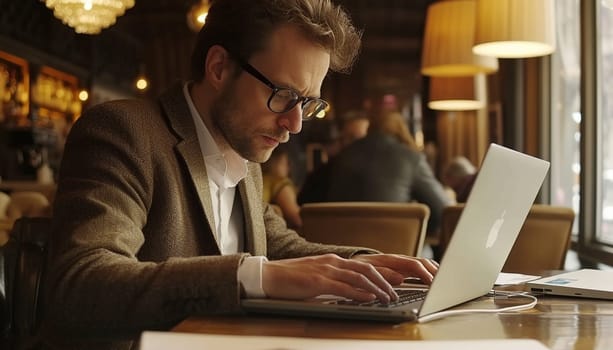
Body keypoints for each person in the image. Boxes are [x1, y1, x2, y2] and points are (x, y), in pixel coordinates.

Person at [40, 1, 438, 348]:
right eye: (283, 95)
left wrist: (378, 266)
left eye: (308, 103)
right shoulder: (124, 132)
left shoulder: (244, 151)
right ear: (218, 67)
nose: (295, 124)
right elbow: (80, 285)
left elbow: (281, 247)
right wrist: (256, 276)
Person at [324, 111, 452, 236]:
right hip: (395, 249)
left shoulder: (341, 156)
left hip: (344, 249)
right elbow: (444, 213)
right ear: (402, 131)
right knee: (426, 252)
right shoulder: (410, 158)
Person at [297, 111, 369, 204]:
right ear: (341, 139)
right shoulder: (322, 175)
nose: (357, 145)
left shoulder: (378, 175)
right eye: (351, 138)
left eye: (362, 139)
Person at [261, 145, 302, 228]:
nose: (288, 168)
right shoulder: (279, 182)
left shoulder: (255, 179)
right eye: (285, 163)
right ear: (275, 163)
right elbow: (297, 218)